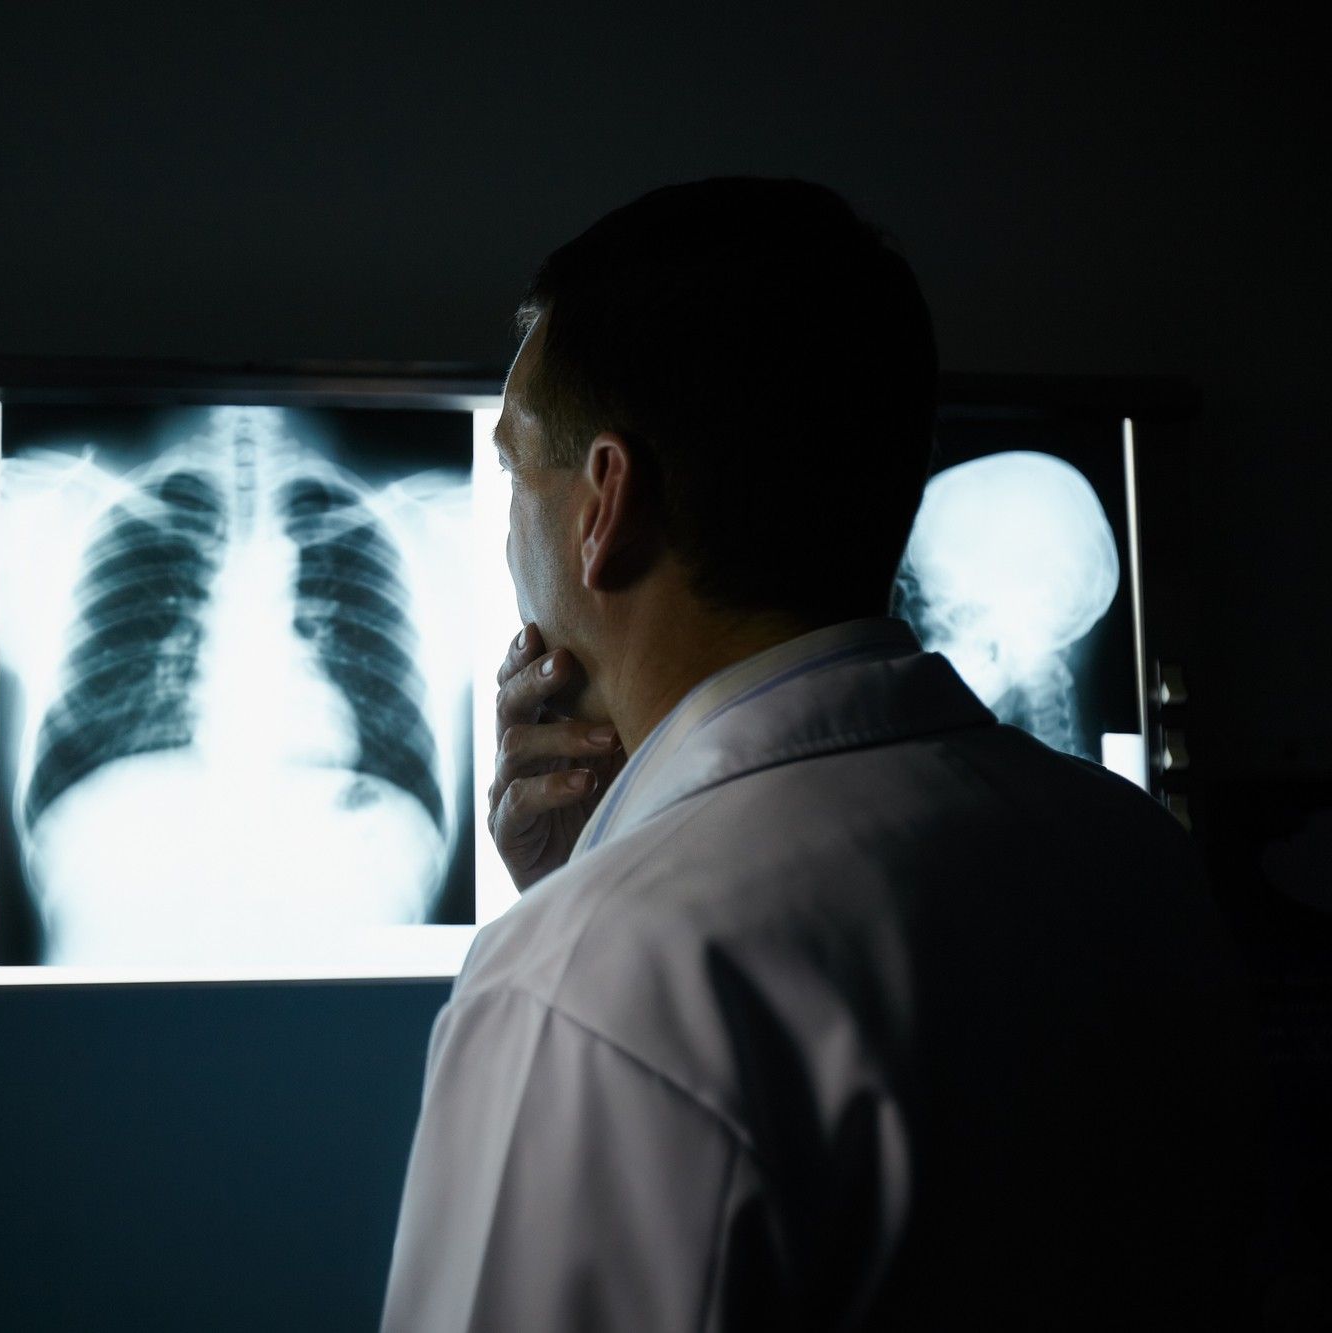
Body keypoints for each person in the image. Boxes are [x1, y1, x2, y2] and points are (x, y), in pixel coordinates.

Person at [380, 178, 1261, 1331]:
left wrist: (581, 923)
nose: (504, 525)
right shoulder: (1134, 855)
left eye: (512, 470)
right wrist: (595, 873)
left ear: (605, 503)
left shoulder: (595, 986)